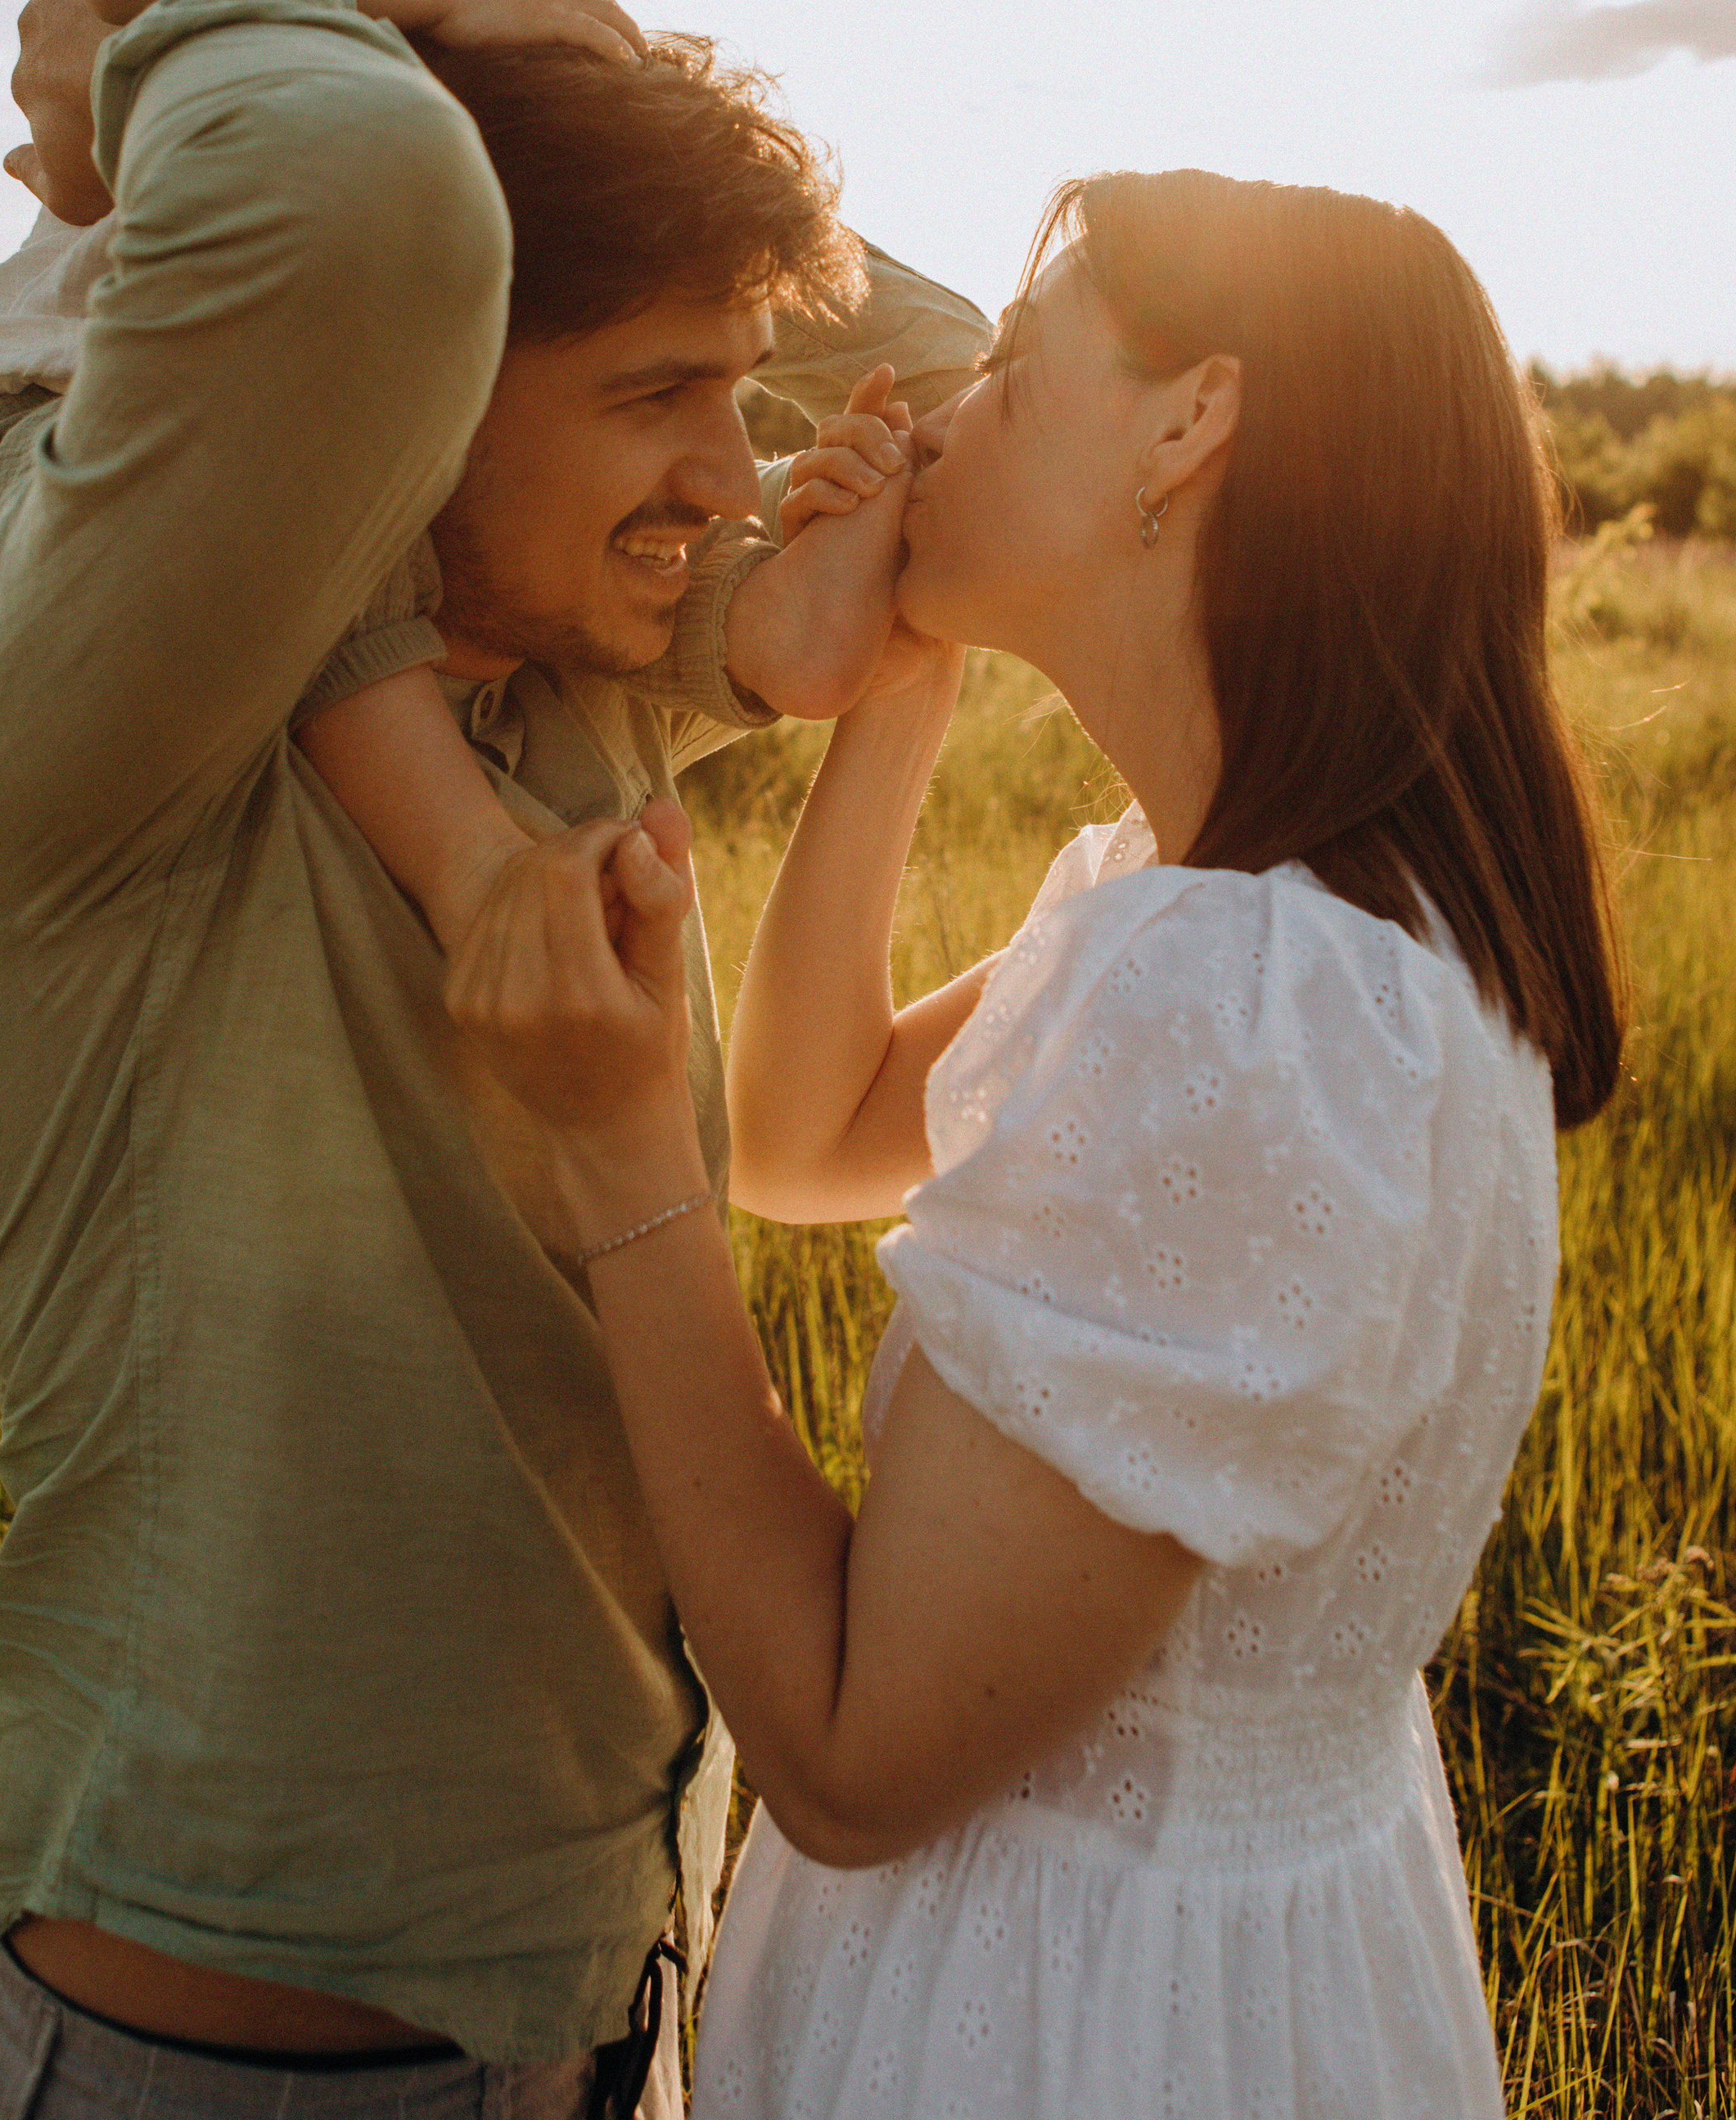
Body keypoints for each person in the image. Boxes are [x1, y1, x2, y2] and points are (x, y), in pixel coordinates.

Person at [0, 0, 980, 2118]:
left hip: (608, 2003)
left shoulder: (577, 685)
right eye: (666, 393)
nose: (740, 475)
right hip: (212, 2067)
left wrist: (557, 17)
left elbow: (959, 377)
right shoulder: (82, 730)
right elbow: (357, 199)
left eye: (744, 388)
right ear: (404, 389)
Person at [444, 166, 1628, 2118]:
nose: (927, 420)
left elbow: (842, 1753)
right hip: (1239, 1964)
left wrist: (604, 1156)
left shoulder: (1243, 1002)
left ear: (1188, 422)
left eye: (1004, 368)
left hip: (1076, 2025)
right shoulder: (1261, 909)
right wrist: (896, 686)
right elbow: (809, 1137)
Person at [0, 0, 975, 963]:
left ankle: (765, 627)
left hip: (352, 456)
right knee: (362, 511)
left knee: (526, 504)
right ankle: (478, 877)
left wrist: (592, 43)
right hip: (75, 456)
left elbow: (722, 258)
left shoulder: (524, 12)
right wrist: (459, 1)